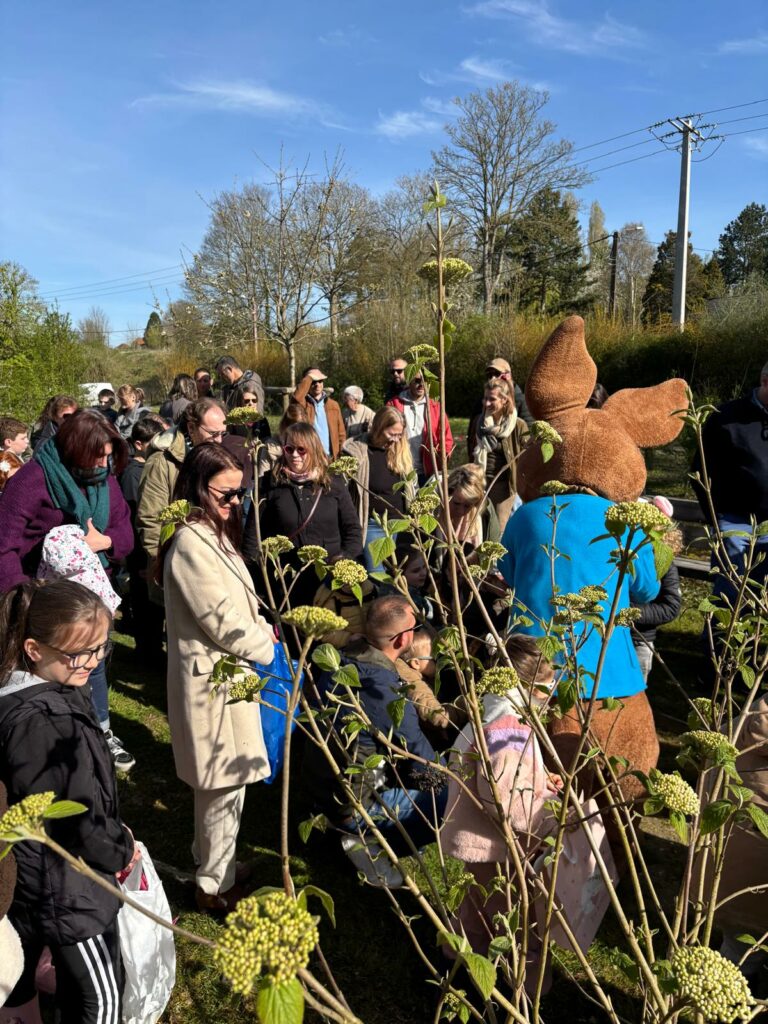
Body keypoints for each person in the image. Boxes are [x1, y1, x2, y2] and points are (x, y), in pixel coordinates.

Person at [0, 579, 135, 1022]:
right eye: (80, 653)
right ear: (34, 649)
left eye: (101, 648)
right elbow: (76, 820)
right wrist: (120, 849)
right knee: (102, 999)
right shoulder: (45, 722)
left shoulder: (45, 689)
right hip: (71, 891)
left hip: (44, 879)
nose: (93, 662)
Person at [159, 443, 276, 913]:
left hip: (226, 678)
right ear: (196, 487)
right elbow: (221, 620)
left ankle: (213, 862)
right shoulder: (191, 542)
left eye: (239, 494)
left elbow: (238, 604)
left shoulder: (212, 531)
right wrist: (267, 645)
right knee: (222, 785)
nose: (234, 503)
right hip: (213, 684)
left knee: (223, 785)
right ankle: (213, 887)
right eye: (225, 494)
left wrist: (261, 625)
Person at [0, 410, 135, 770]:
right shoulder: (32, 480)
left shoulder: (105, 480)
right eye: (97, 456)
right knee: (45, 669)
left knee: (93, 662)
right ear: (74, 449)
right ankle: (44, 741)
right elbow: (4, 546)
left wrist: (103, 542)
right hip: (40, 596)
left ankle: (100, 732)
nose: (104, 464)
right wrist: (25, 600)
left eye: (108, 456)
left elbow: (125, 533)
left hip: (89, 597)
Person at [307, 595, 446, 885]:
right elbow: (418, 755)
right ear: (403, 639)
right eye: (414, 627)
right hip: (356, 802)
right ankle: (365, 837)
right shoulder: (382, 689)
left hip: (325, 786)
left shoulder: (343, 659)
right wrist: (451, 781)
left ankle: (350, 827)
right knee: (449, 800)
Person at [243, 422, 362, 609]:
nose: (294, 455)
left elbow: (353, 530)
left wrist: (343, 562)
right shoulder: (268, 485)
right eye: (289, 449)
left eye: (301, 449)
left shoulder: (333, 483)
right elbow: (252, 538)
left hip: (329, 582)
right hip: (285, 584)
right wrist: (258, 586)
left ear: (313, 449)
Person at [692, 364, 768, 606]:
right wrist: (716, 520)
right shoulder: (726, 418)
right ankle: (723, 630)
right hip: (735, 522)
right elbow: (700, 471)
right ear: (765, 382)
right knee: (731, 594)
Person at [136, 397, 228, 584]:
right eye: (213, 433)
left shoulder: (212, 453)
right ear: (191, 428)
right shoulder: (162, 462)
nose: (219, 441)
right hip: (175, 567)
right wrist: (165, 569)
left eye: (223, 434)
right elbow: (150, 520)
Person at [342, 406, 414, 571]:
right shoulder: (357, 451)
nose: (395, 439)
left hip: (401, 524)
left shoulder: (401, 449)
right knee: (377, 574)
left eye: (399, 434)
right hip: (374, 525)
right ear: (378, 428)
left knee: (399, 576)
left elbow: (410, 486)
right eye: (391, 434)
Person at [120, 417, 166, 664]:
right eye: (153, 443)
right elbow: (135, 516)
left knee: (154, 607)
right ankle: (147, 653)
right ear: (139, 444)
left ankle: (153, 649)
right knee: (144, 605)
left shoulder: (152, 468)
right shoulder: (132, 475)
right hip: (139, 550)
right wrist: (140, 558)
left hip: (150, 548)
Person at [631, 497, 682, 681]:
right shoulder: (616, 555)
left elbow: (670, 607)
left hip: (639, 640)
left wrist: (628, 613)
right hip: (609, 638)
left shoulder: (663, 560)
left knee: (634, 692)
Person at [468, 378, 528, 532]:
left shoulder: (518, 426)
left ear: (504, 400)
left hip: (504, 487)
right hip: (480, 483)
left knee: (498, 532)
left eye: (492, 399)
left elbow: (527, 458)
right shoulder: (479, 423)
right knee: (478, 529)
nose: (486, 403)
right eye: (485, 398)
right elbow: (471, 452)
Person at [387, 370, 454, 485]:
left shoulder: (436, 407)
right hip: (400, 470)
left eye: (426, 381)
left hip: (428, 472)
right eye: (418, 381)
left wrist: (442, 458)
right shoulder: (394, 404)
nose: (422, 384)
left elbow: (446, 438)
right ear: (409, 381)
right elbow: (384, 433)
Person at [291, 367, 346, 459]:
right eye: (313, 382)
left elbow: (341, 434)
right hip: (309, 457)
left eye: (320, 381)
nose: (317, 384)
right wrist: (309, 377)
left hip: (330, 457)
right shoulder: (302, 404)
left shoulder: (333, 405)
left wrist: (341, 455)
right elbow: (296, 399)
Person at [484, 357, 534, 427]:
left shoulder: (523, 402)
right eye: (489, 375)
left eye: (497, 373)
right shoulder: (483, 402)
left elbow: (529, 430)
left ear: (508, 375)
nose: (493, 378)